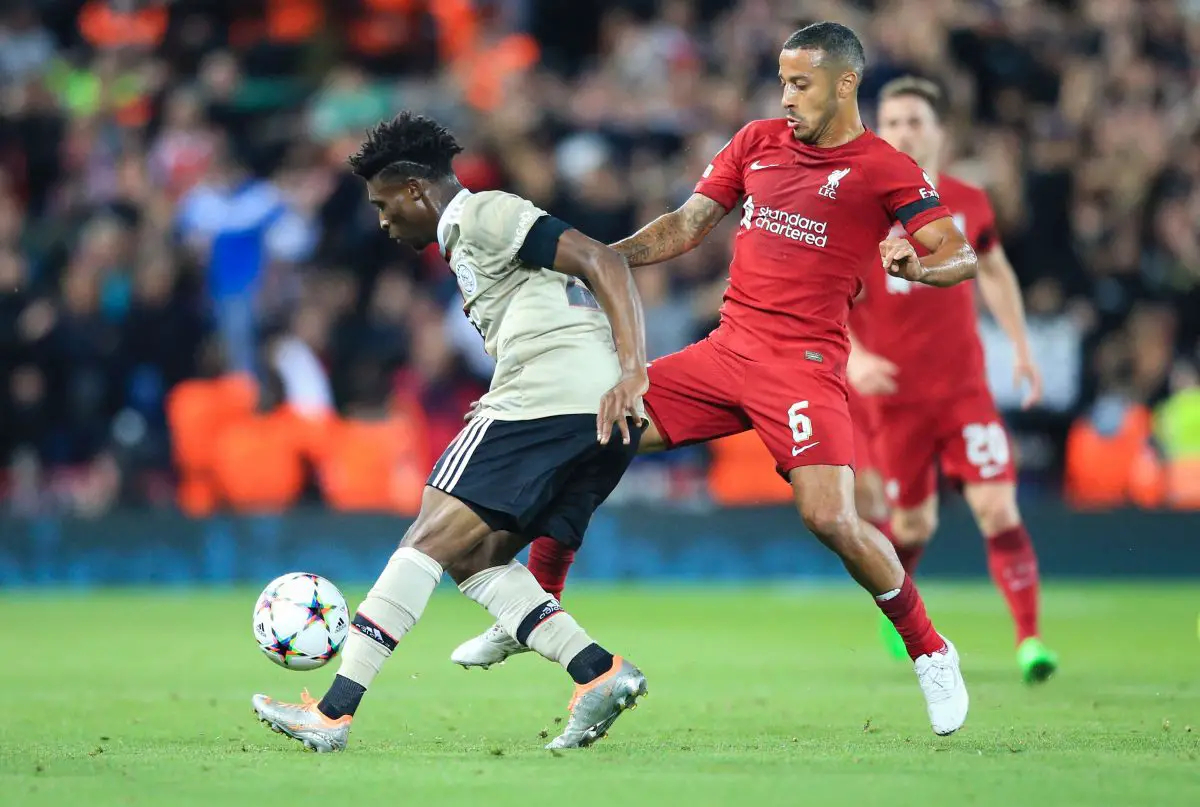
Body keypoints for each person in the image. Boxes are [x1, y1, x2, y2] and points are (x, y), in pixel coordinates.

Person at [452, 22, 974, 736]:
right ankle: (536, 601)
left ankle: (930, 649)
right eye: (782, 81)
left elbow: (957, 255)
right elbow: (686, 225)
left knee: (829, 517)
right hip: (726, 350)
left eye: (801, 83)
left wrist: (921, 267)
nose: (786, 97)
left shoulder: (885, 167)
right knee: (596, 428)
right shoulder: (757, 141)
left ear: (845, 83)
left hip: (803, 365)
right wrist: (598, 259)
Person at [252, 112, 652, 752]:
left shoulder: (482, 212)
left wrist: (633, 370)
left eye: (385, 205)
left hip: (556, 394)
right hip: (590, 412)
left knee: (426, 536)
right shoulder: (467, 242)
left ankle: (332, 713)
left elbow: (602, 259)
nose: (383, 222)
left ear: (416, 189)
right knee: (476, 557)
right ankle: (597, 671)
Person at [847, 76, 1058, 682]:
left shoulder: (967, 200)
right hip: (897, 402)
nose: (905, 131)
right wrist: (855, 356)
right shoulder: (859, 211)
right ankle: (900, 609)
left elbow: (992, 268)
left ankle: (1030, 642)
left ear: (939, 132)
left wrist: (1020, 347)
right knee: (914, 523)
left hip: (965, 391)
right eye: (893, 121)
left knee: (998, 507)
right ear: (876, 131)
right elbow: (828, 297)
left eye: (916, 120)